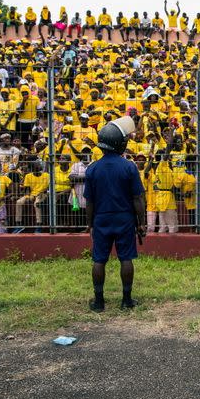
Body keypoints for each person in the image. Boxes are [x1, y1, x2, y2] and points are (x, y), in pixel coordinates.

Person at [84, 116, 147, 312]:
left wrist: (90, 224)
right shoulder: (129, 167)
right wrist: (141, 222)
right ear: (119, 143)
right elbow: (138, 198)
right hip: (125, 218)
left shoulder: (92, 169)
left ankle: (99, 301)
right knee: (126, 258)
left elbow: (89, 201)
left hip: (101, 218)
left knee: (99, 259)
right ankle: (126, 300)